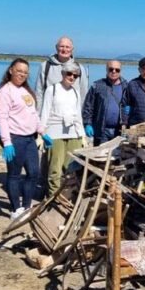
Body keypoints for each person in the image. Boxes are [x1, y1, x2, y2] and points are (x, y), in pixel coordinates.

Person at [0, 58, 53, 219]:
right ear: (11, 70)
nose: (22, 75)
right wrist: (7, 143)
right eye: (19, 71)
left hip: (29, 139)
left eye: (25, 72)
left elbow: (33, 115)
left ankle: (26, 206)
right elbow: (2, 119)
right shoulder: (5, 92)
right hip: (15, 139)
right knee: (14, 174)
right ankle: (15, 209)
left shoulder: (25, 91)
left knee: (33, 173)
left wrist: (42, 132)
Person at [39, 61, 85, 195]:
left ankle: (66, 194)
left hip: (72, 133)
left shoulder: (76, 92)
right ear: (63, 73)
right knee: (55, 167)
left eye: (75, 76)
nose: (72, 77)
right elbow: (45, 112)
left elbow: (78, 115)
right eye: (69, 74)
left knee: (70, 167)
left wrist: (82, 135)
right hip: (55, 132)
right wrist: (41, 134)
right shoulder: (52, 90)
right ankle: (53, 195)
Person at [34, 36, 89, 111]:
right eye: (62, 46)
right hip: (50, 115)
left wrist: (81, 115)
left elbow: (84, 93)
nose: (64, 49)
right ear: (56, 48)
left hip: (72, 115)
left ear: (72, 49)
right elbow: (39, 92)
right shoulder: (45, 66)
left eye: (67, 47)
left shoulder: (79, 68)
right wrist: (38, 113)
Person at [83, 60, 127, 145]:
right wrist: (87, 123)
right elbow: (88, 106)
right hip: (102, 130)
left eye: (117, 70)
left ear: (121, 71)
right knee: (100, 156)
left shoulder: (126, 86)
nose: (114, 71)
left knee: (118, 157)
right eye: (111, 69)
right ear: (106, 70)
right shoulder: (97, 85)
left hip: (120, 130)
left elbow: (132, 105)